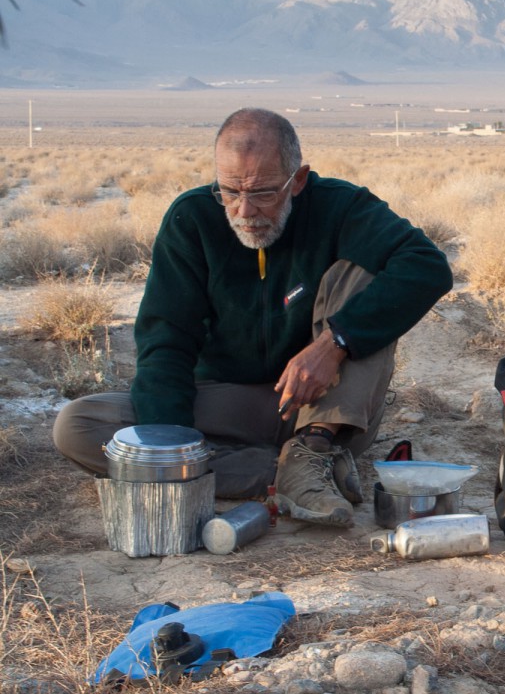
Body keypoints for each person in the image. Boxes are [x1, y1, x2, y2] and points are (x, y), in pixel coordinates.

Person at [53, 108, 453, 528]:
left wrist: (334, 344)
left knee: (365, 270)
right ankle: (284, 474)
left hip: (326, 408)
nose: (244, 211)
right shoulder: (192, 219)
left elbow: (427, 266)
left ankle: (314, 451)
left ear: (297, 179)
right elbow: (165, 339)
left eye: (263, 192)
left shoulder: (340, 206)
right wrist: (166, 448)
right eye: (230, 192)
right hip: (227, 405)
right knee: (78, 425)